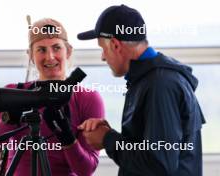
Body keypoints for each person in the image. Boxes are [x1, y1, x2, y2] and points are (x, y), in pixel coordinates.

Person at [77, 4, 205, 176]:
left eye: (103, 49)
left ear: (115, 45)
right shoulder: (149, 79)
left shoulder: (160, 85)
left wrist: (107, 139)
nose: (102, 57)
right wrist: (109, 134)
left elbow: (158, 165)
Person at [0, 18, 105, 176]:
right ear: (31, 56)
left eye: (56, 48)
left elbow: (86, 169)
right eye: (41, 50)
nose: (50, 57)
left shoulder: (87, 98)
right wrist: (11, 117)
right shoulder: (14, 92)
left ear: (68, 51)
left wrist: (67, 137)